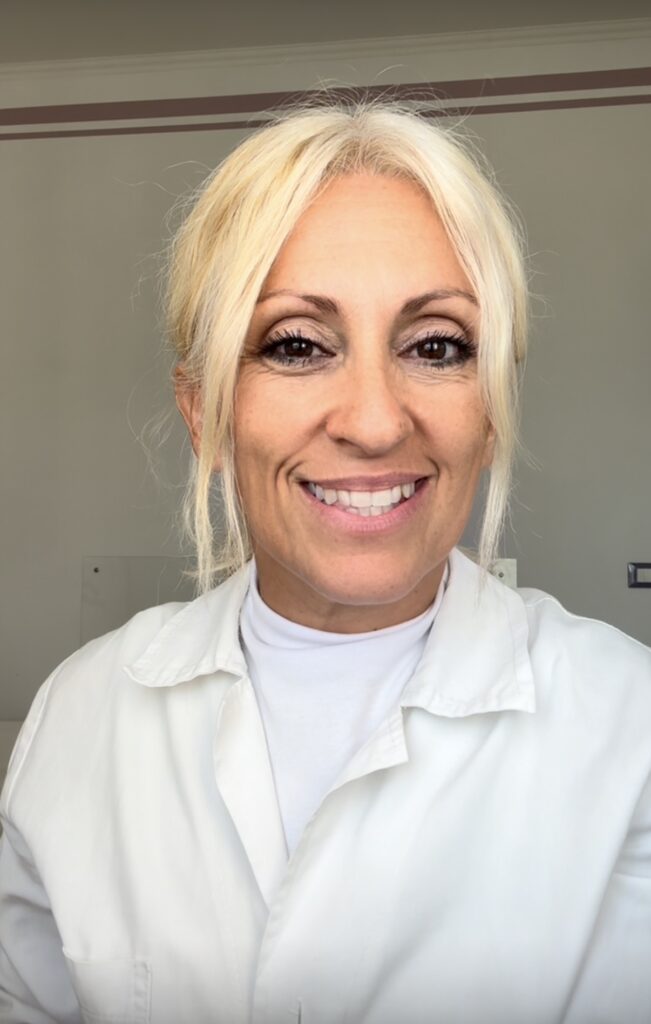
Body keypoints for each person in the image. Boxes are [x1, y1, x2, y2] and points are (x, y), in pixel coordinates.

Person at [1, 100, 650, 1024]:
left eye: (435, 346)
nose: (375, 421)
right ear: (205, 413)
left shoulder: (627, 725)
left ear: (490, 412)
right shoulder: (84, 709)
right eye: (298, 345)